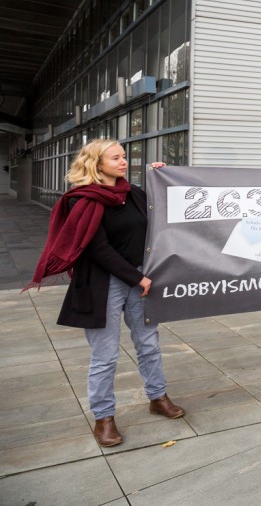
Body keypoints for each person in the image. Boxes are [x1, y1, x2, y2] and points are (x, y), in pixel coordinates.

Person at [29, 139, 185, 448]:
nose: (124, 162)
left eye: (124, 157)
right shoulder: (83, 200)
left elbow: (163, 209)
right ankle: (104, 418)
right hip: (106, 283)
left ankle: (158, 397)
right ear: (96, 164)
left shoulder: (132, 193)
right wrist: (136, 277)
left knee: (148, 343)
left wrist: (164, 177)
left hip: (141, 279)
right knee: (105, 354)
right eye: (116, 158)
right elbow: (98, 248)